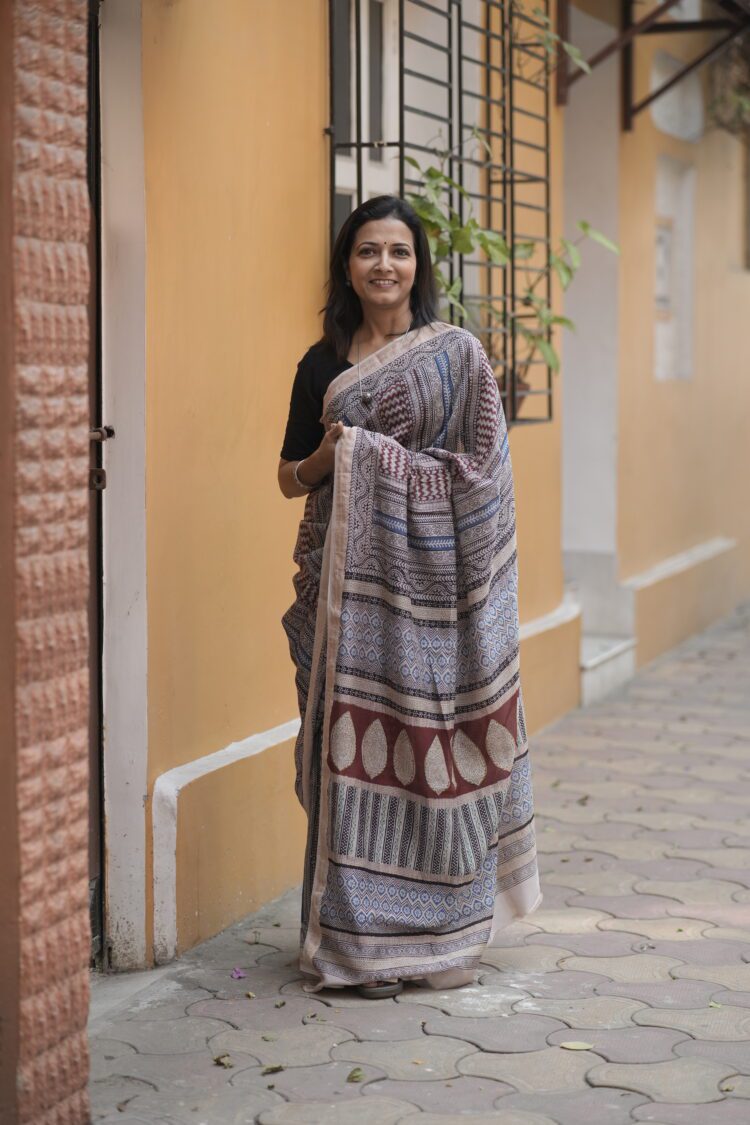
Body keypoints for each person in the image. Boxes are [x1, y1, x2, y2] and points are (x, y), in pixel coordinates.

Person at [278, 194, 541, 998]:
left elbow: (486, 468)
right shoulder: (321, 364)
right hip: (343, 600)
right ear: (346, 266)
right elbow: (289, 479)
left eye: (398, 251)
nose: (383, 265)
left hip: (441, 600)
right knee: (346, 750)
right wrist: (333, 454)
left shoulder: (456, 355)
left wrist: (385, 468)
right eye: (366, 251)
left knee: (438, 751)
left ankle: (438, 938)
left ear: (419, 264)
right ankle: (359, 946)